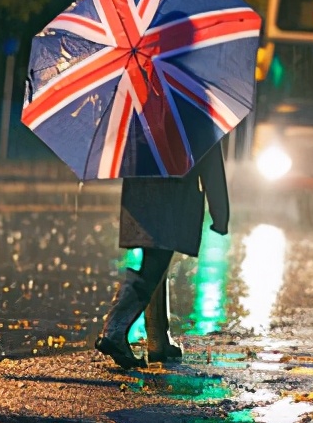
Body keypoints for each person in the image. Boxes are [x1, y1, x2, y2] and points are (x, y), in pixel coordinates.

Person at [95, 140, 230, 369]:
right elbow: (210, 156)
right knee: (155, 265)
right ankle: (115, 329)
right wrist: (220, 212)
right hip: (174, 192)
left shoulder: (141, 117)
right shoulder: (191, 118)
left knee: (155, 262)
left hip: (141, 189)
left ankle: (157, 338)